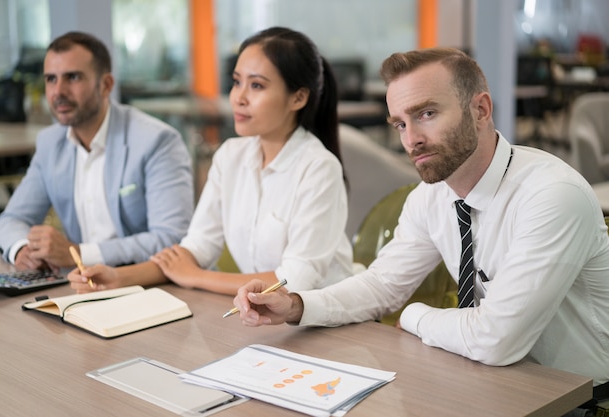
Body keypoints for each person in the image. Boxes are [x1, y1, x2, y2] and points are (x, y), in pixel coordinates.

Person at [232, 47, 609, 412]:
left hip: (581, 399)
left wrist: (414, 315)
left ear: (480, 109)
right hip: (492, 383)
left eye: (426, 113)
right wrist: (295, 305)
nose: (411, 139)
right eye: (400, 123)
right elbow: (381, 286)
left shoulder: (552, 196)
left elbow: (496, 339)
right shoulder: (431, 196)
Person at [68, 26, 353, 295]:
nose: (238, 97)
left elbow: (293, 281)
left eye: (256, 86)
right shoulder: (230, 156)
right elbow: (198, 247)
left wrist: (196, 277)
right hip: (265, 317)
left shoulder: (319, 168)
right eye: (237, 82)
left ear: (298, 98)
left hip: (325, 323)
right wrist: (119, 277)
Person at [0, 31, 194, 271]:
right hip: (86, 284)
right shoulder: (50, 143)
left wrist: (79, 254)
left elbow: (171, 238)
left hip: (152, 285)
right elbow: (13, 218)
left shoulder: (156, 141)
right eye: (51, 79)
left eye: (73, 77)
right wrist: (21, 249)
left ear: (106, 85)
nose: (58, 91)